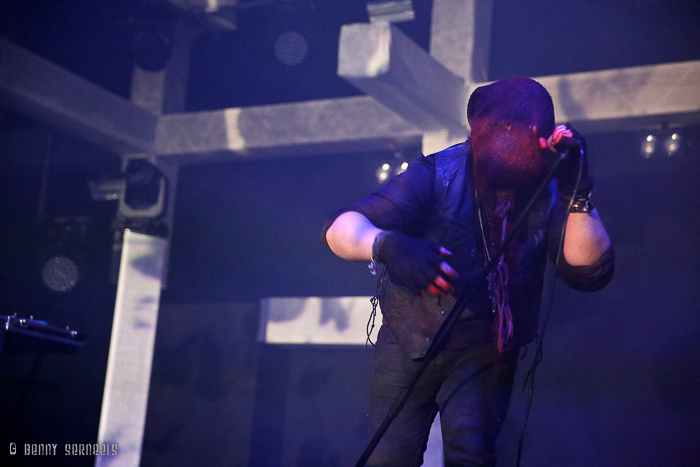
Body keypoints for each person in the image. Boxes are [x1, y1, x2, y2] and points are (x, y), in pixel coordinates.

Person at [321, 77, 614, 467]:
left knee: (472, 455)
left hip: (485, 348)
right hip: (409, 339)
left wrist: (579, 192)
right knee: (388, 458)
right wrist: (389, 245)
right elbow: (340, 229)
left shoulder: (548, 184)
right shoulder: (436, 173)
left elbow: (590, 270)